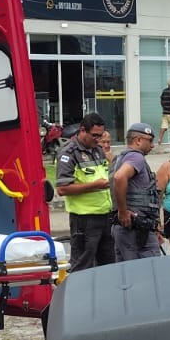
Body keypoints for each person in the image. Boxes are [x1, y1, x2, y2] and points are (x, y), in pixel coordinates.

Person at [55, 112, 115, 272]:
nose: (98, 139)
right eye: (95, 135)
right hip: (84, 219)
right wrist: (95, 185)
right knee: (82, 265)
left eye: (100, 136)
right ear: (82, 130)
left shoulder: (98, 150)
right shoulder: (68, 153)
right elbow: (62, 189)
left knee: (109, 263)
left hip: (105, 215)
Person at [110, 122, 162, 261]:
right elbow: (119, 177)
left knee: (127, 276)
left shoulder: (120, 157)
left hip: (126, 229)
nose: (152, 145)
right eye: (150, 141)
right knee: (148, 275)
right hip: (136, 230)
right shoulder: (136, 157)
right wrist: (123, 211)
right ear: (138, 140)